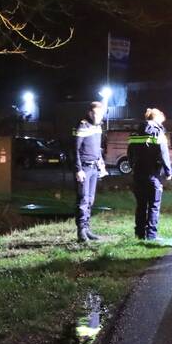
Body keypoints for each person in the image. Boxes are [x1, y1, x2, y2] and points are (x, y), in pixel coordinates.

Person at [128, 107, 172, 240]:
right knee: (154, 204)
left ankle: (139, 234)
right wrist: (168, 172)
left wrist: (133, 167)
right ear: (157, 118)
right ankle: (152, 235)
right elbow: (164, 154)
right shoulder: (158, 133)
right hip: (153, 174)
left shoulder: (135, 133)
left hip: (138, 174)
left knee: (141, 205)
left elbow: (129, 153)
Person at [73, 101, 107, 242]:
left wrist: (101, 164)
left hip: (94, 168)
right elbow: (74, 150)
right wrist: (78, 169)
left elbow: (97, 148)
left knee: (90, 200)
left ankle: (87, 228)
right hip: (85, 168)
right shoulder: (82, 125)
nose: (99, 116)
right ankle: (81, 231)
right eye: (96, 113)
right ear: (90, 113)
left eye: (101, 114)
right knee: (83, 199)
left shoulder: (98, 126)